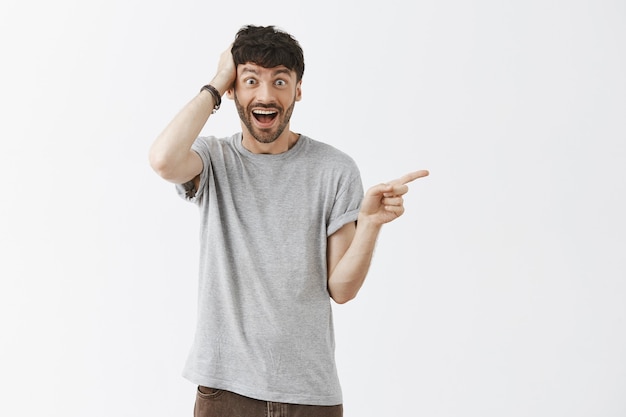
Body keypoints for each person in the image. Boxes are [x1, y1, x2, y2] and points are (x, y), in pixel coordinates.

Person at [149, 24, 428, 417]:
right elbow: (162, 160)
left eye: (280, 81)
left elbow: (342, 289)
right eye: (251, 81)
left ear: (297, 90)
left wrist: (369, 224)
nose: (266, 95)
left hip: (311, 395)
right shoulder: (212, 160)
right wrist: (215, 82)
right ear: (234, 90)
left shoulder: (335, 169)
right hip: (225, 391)